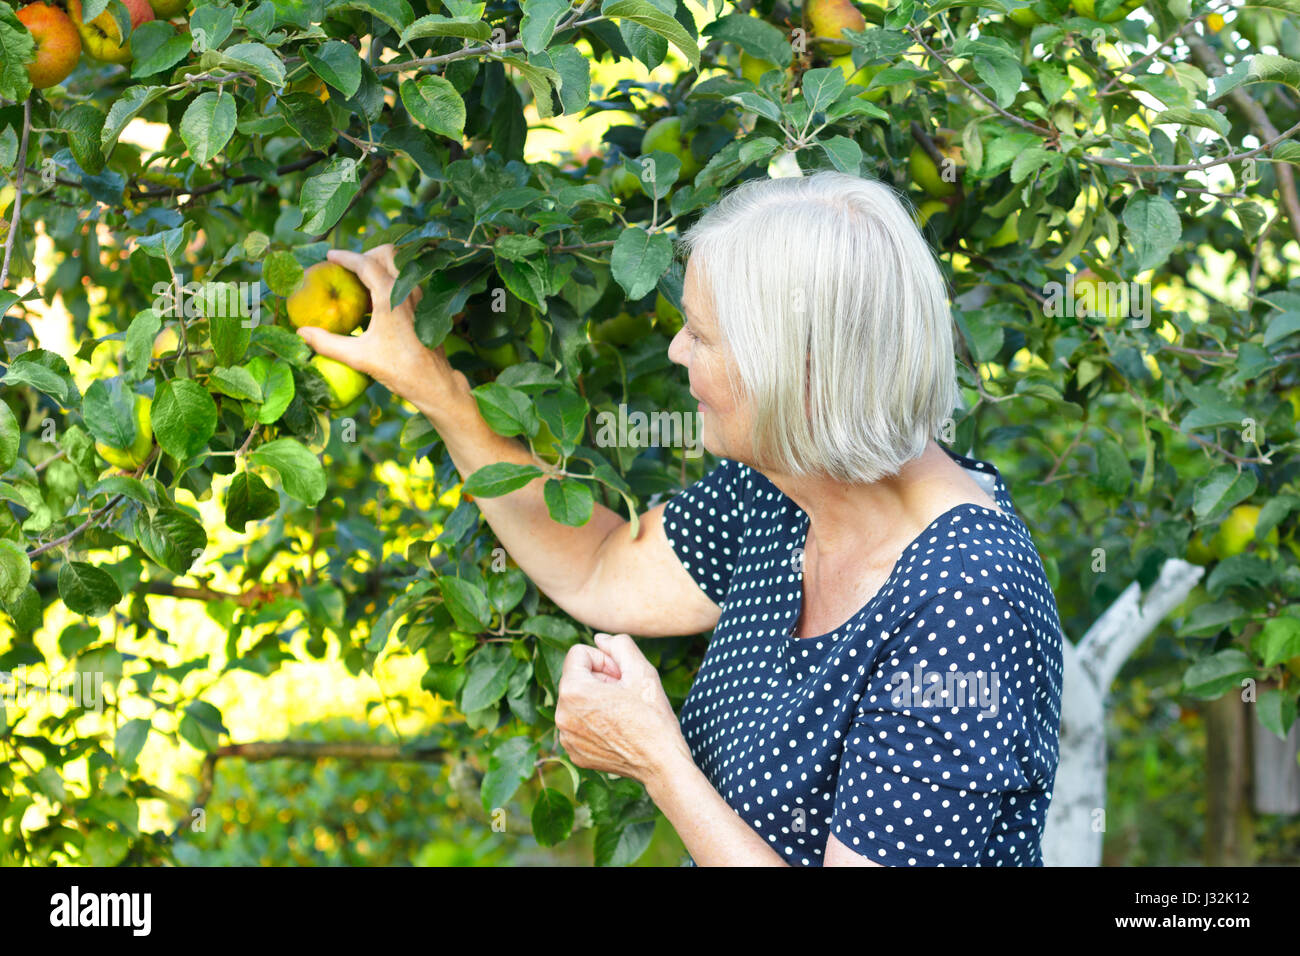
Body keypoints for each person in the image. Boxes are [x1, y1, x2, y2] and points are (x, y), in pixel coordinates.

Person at [295, 170, 1065, 867]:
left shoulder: (967, 599)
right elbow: (598, 566)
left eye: (700, 334)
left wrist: (656, 758)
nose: (673, 350)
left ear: (791, 372)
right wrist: (437, 389)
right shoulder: (782, 494)